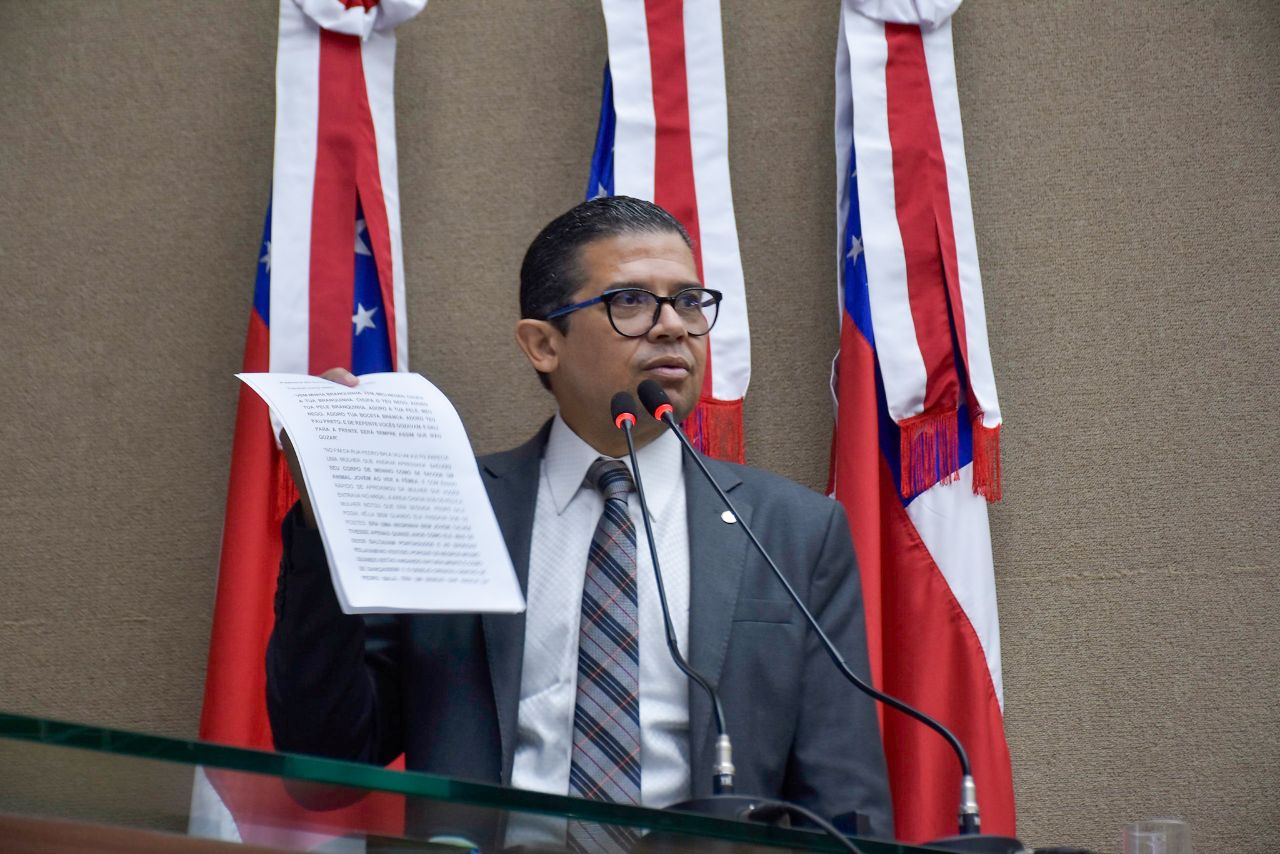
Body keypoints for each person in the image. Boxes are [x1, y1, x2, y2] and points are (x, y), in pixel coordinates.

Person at [266, 196, 892, 847]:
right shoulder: (450, 507)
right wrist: (323, 527)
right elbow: (324, 770)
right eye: (629, 302)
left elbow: (844, 802)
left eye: (688, 301)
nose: (672, 326)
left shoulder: (792, 530)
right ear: (543, 344)